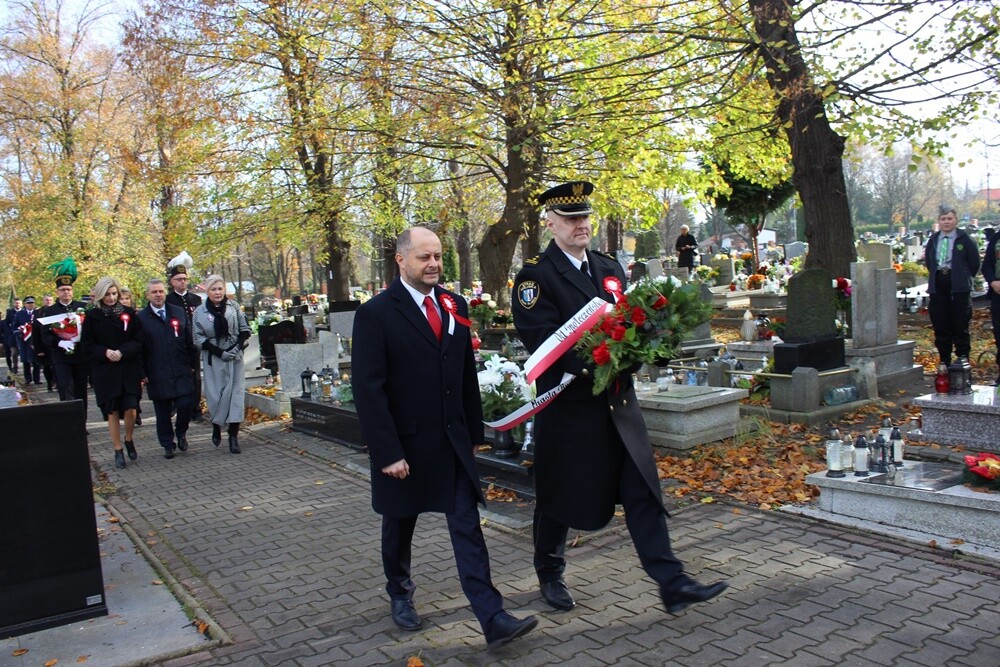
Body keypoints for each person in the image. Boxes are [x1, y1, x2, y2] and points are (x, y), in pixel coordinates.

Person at [512, 181, 728, 616]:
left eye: (585, 216)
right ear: (550, 223)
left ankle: (671, 581)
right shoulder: (535, 275)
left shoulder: (608, 266)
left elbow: (632, 318)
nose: (582, 225)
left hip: (618, 402)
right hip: (571, 406)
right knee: (559, 496)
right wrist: (603, 357)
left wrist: (649, 345)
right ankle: (549, 572)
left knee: (642, 489)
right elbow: (542, 343)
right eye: (571, 218)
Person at [351, 227, 537, 649]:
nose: (434, 264)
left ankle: (493, 617)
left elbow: (463, 372)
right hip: (405, 448)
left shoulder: (453, 304)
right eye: (424, 257)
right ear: (401, 260)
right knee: (399, 527)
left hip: (452, 444)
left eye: (437, 256)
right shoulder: (377, 313)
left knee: (468, 527)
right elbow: (368, 388)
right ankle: (400, 592)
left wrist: (474, 431)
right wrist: (387, 452)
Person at [80, 277, 143, 469]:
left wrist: (123, 351)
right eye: (107, 294)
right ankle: (117, 450)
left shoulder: (130, 314)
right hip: (105, 371)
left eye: (114, 293)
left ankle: (128, 438)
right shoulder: (92, 317)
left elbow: (138, 340)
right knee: (112, 410)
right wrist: (105, 352)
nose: (111, 297)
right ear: (100, 295)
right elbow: (87, 345)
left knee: (131, 409)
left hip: (127, 368)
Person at [137, 279, 198, 459]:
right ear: (148, 295)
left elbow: (189, 340)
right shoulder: (141, 318)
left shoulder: (177, 312)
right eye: (154, 292)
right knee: (162, 412)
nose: (158, 295)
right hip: (157, 371)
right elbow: (139, 349)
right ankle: (167, 444)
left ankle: (181, 432)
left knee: (185, 405)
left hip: (181, 368)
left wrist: (192, 364)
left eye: (161, 291)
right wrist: (143, 373)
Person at [192, 274, 251, 454]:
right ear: (207, 291)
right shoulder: (199, 312)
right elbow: (198, 338)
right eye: (213, 289)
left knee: (235, 395)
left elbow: (245, 329)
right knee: (216, 396)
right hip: (214, 358)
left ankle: (233, 436)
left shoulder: (233, 307)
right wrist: (220, 352)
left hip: (235, 358)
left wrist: (235, 348)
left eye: (220, 289)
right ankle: (217, 425)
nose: (217, 293)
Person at [925, 204, 980, 368]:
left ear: (955, 220)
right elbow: (929, 262)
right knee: (941, 324)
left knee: (960, 324)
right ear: (939, 222)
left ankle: (962, 361)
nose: (946, 222)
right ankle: (944, 362)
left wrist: (962, 277)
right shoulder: (934, 240)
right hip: (938, 286)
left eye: (949, 219)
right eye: (943, 219)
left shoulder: (965, 239)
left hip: (958, 287)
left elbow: (974, 263)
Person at [39, 258, 89, 412]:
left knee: (81, 390)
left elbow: (91, 330)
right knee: (65, 388)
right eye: (62, 290)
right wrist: (60, 343)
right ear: (57, 292)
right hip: (61, 356)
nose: (66, 292)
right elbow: (45, 336)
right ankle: (68, 424)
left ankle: (81, 424)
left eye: (68, 289)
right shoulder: (50, 311)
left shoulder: (83, 307)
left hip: (81, 355)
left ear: (72, 291)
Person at [166, 251, 205, 422]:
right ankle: (175, 404)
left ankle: (195, 408)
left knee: (195, 377)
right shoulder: (168, 300)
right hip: (175, 344)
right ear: (172, 281)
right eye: (179, 279)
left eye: (184, 279)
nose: (182, 282)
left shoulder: (196, 299)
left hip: (194, 343)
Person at [13, 296, 40, 384]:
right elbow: (14, 326)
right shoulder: (20, 314)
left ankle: (37, 379)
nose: (30, 305)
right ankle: (27, 379)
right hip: (24, 340)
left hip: (35, 340)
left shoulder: (38, 312)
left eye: (32, 303)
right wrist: (20, 332)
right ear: (25, 304)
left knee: (36, 360)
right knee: (25, 360)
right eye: (28, 303)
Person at [2, 297, 22, 374]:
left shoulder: (24, 312)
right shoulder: (10, 312)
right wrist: (12, 331)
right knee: (14, 352)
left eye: (19, 303)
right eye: (16, 303)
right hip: (13, 335)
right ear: (14, 304)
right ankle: (15, 366)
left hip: (23, 334)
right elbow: (6, 323)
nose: (17, 304)